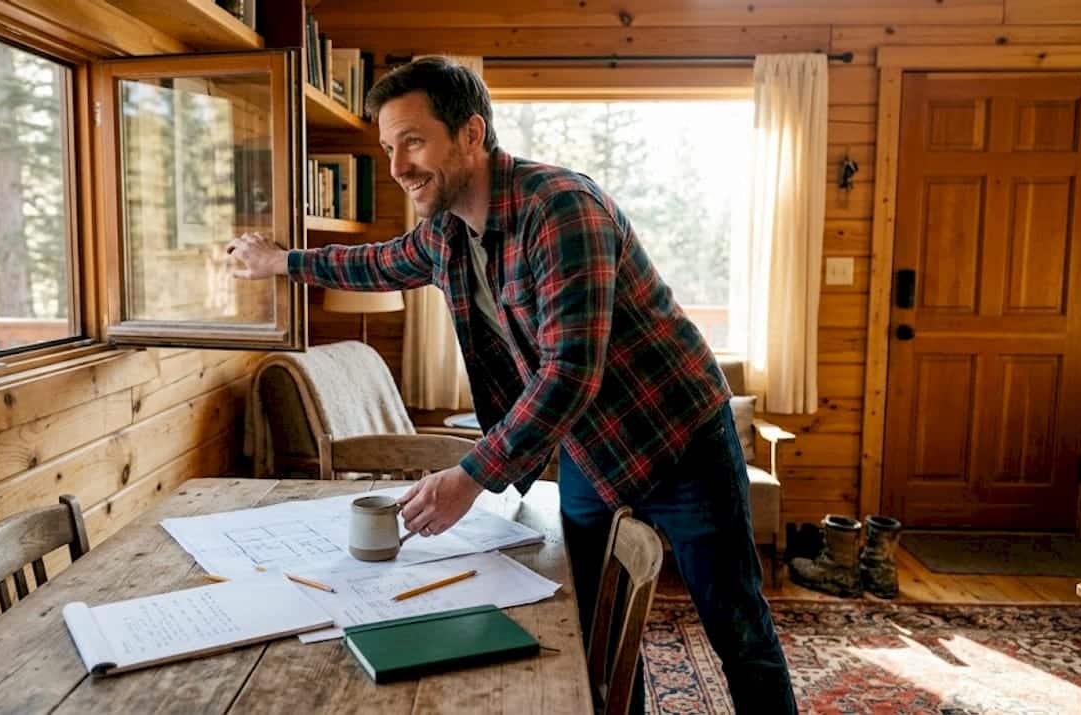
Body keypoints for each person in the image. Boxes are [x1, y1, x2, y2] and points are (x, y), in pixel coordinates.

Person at [226, 56, 796, 714]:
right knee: (595, 626)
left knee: (740, 630)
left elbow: (569, 372)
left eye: (412, 140)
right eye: (387, 147)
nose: (397, 166)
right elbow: (376, 261)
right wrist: (282, 261)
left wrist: (471, 475)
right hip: (588, 445)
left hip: (678, 435)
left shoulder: (561, 210)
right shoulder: (444, 232)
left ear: (472, 134)